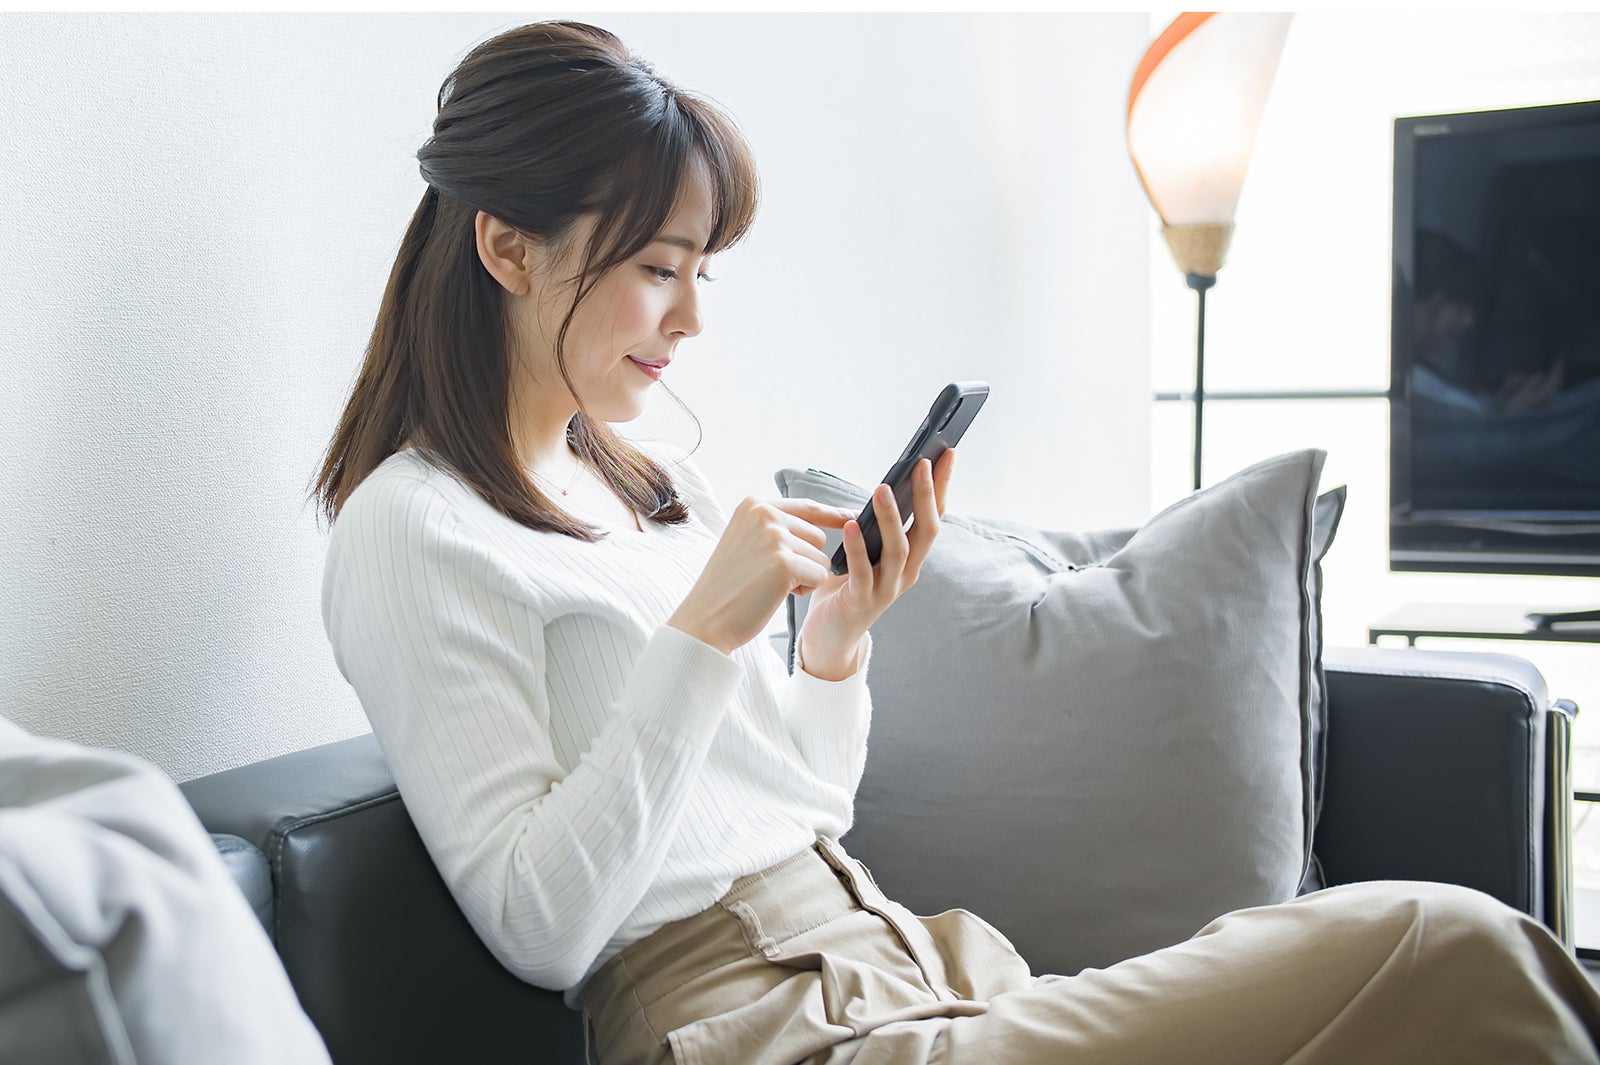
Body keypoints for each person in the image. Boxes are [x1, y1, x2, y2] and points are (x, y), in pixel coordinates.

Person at [312, 19, 1600, 1065]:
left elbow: (803, 807)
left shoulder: (653, 485)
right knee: (1449, 949)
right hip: (766, 1037)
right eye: (662, 266)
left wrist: (832, 647)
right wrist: (703, 632)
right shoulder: (409, 532)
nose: (692, 318)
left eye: (705, 270)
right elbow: (542, 927)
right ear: (504, 246)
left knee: (1426, 994)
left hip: (916, 977)